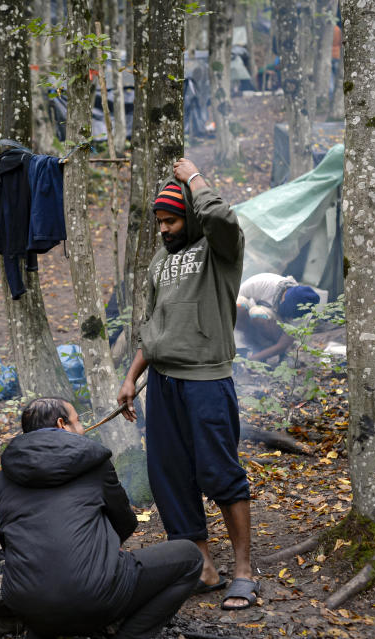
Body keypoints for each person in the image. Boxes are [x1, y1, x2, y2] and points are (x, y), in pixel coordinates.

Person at [117, 158, 258, 611]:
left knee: (219, 473)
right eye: (159, 222)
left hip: (205, 381)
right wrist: (131, 376)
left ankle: (242, 571)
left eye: (171, 220)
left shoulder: (220, 250)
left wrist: (193, 177)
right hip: (162, 384)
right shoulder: (160, 261)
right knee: (170, 477)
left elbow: (221, 217)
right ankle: (204, 566)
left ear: (190, 216)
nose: (164, 229)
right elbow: (153, 324)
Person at [0, 397, 203, 639]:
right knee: (190, 556)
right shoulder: (93, 464)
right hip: (92, 596)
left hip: (24, 602)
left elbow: (9, 540)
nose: (82, 429)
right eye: (78, 421)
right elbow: (124, 520)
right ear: (62, 424)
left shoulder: (4, 478)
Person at [236, 273, 320, 362]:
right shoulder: (262, 283)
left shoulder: (303, 314)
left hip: (276, 331)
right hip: (250, 320)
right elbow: (229, 303)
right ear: (283, 299)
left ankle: (265, 348)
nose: (291, 316)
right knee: (239, 302)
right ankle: (245, 343)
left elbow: (283, 344)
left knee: (258, 314)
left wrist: (254, 358)